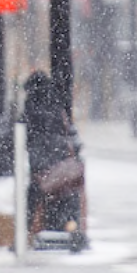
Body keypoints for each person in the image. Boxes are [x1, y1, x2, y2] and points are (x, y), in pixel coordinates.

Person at [22, 71, 86, 249]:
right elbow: (71, 133)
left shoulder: (31, 105)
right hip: (62, 163)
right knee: (68, 198)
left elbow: (25, 134)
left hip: (42, 165)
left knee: (33, 197)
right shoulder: (57, 104)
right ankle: (73, 230)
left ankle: (24, 235)